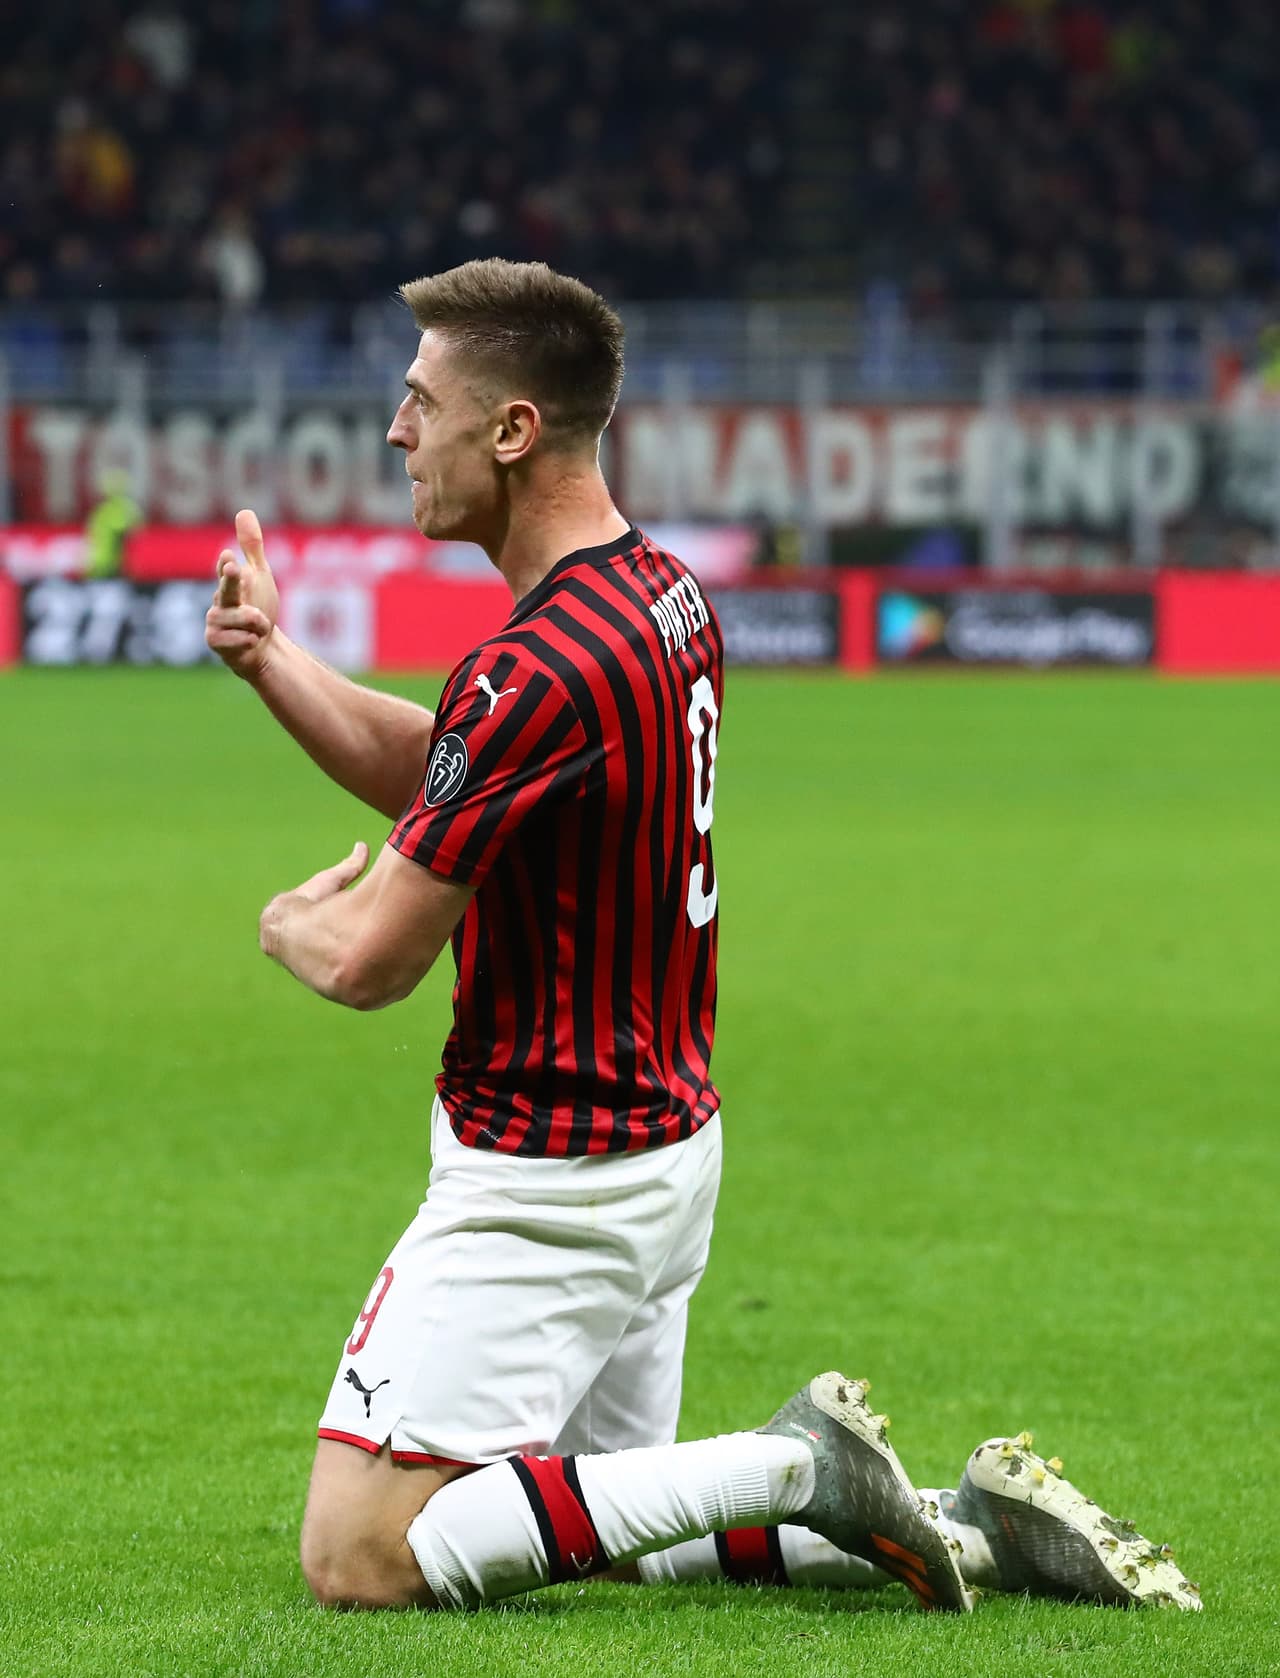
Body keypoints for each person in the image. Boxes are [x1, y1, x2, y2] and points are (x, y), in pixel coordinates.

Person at [204, 258, 1200, 1616]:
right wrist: (273, 659)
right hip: (663, 1150)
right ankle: (969, 1530)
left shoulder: (532, 666)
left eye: (422, 400)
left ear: (512, 429)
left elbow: (375, 958)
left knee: (364, 1551)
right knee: (611, 1514)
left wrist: (288, 928)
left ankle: (797, 1460)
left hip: (548, 1171)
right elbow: (461, 771)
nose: (396, 430)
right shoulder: (663, 594)